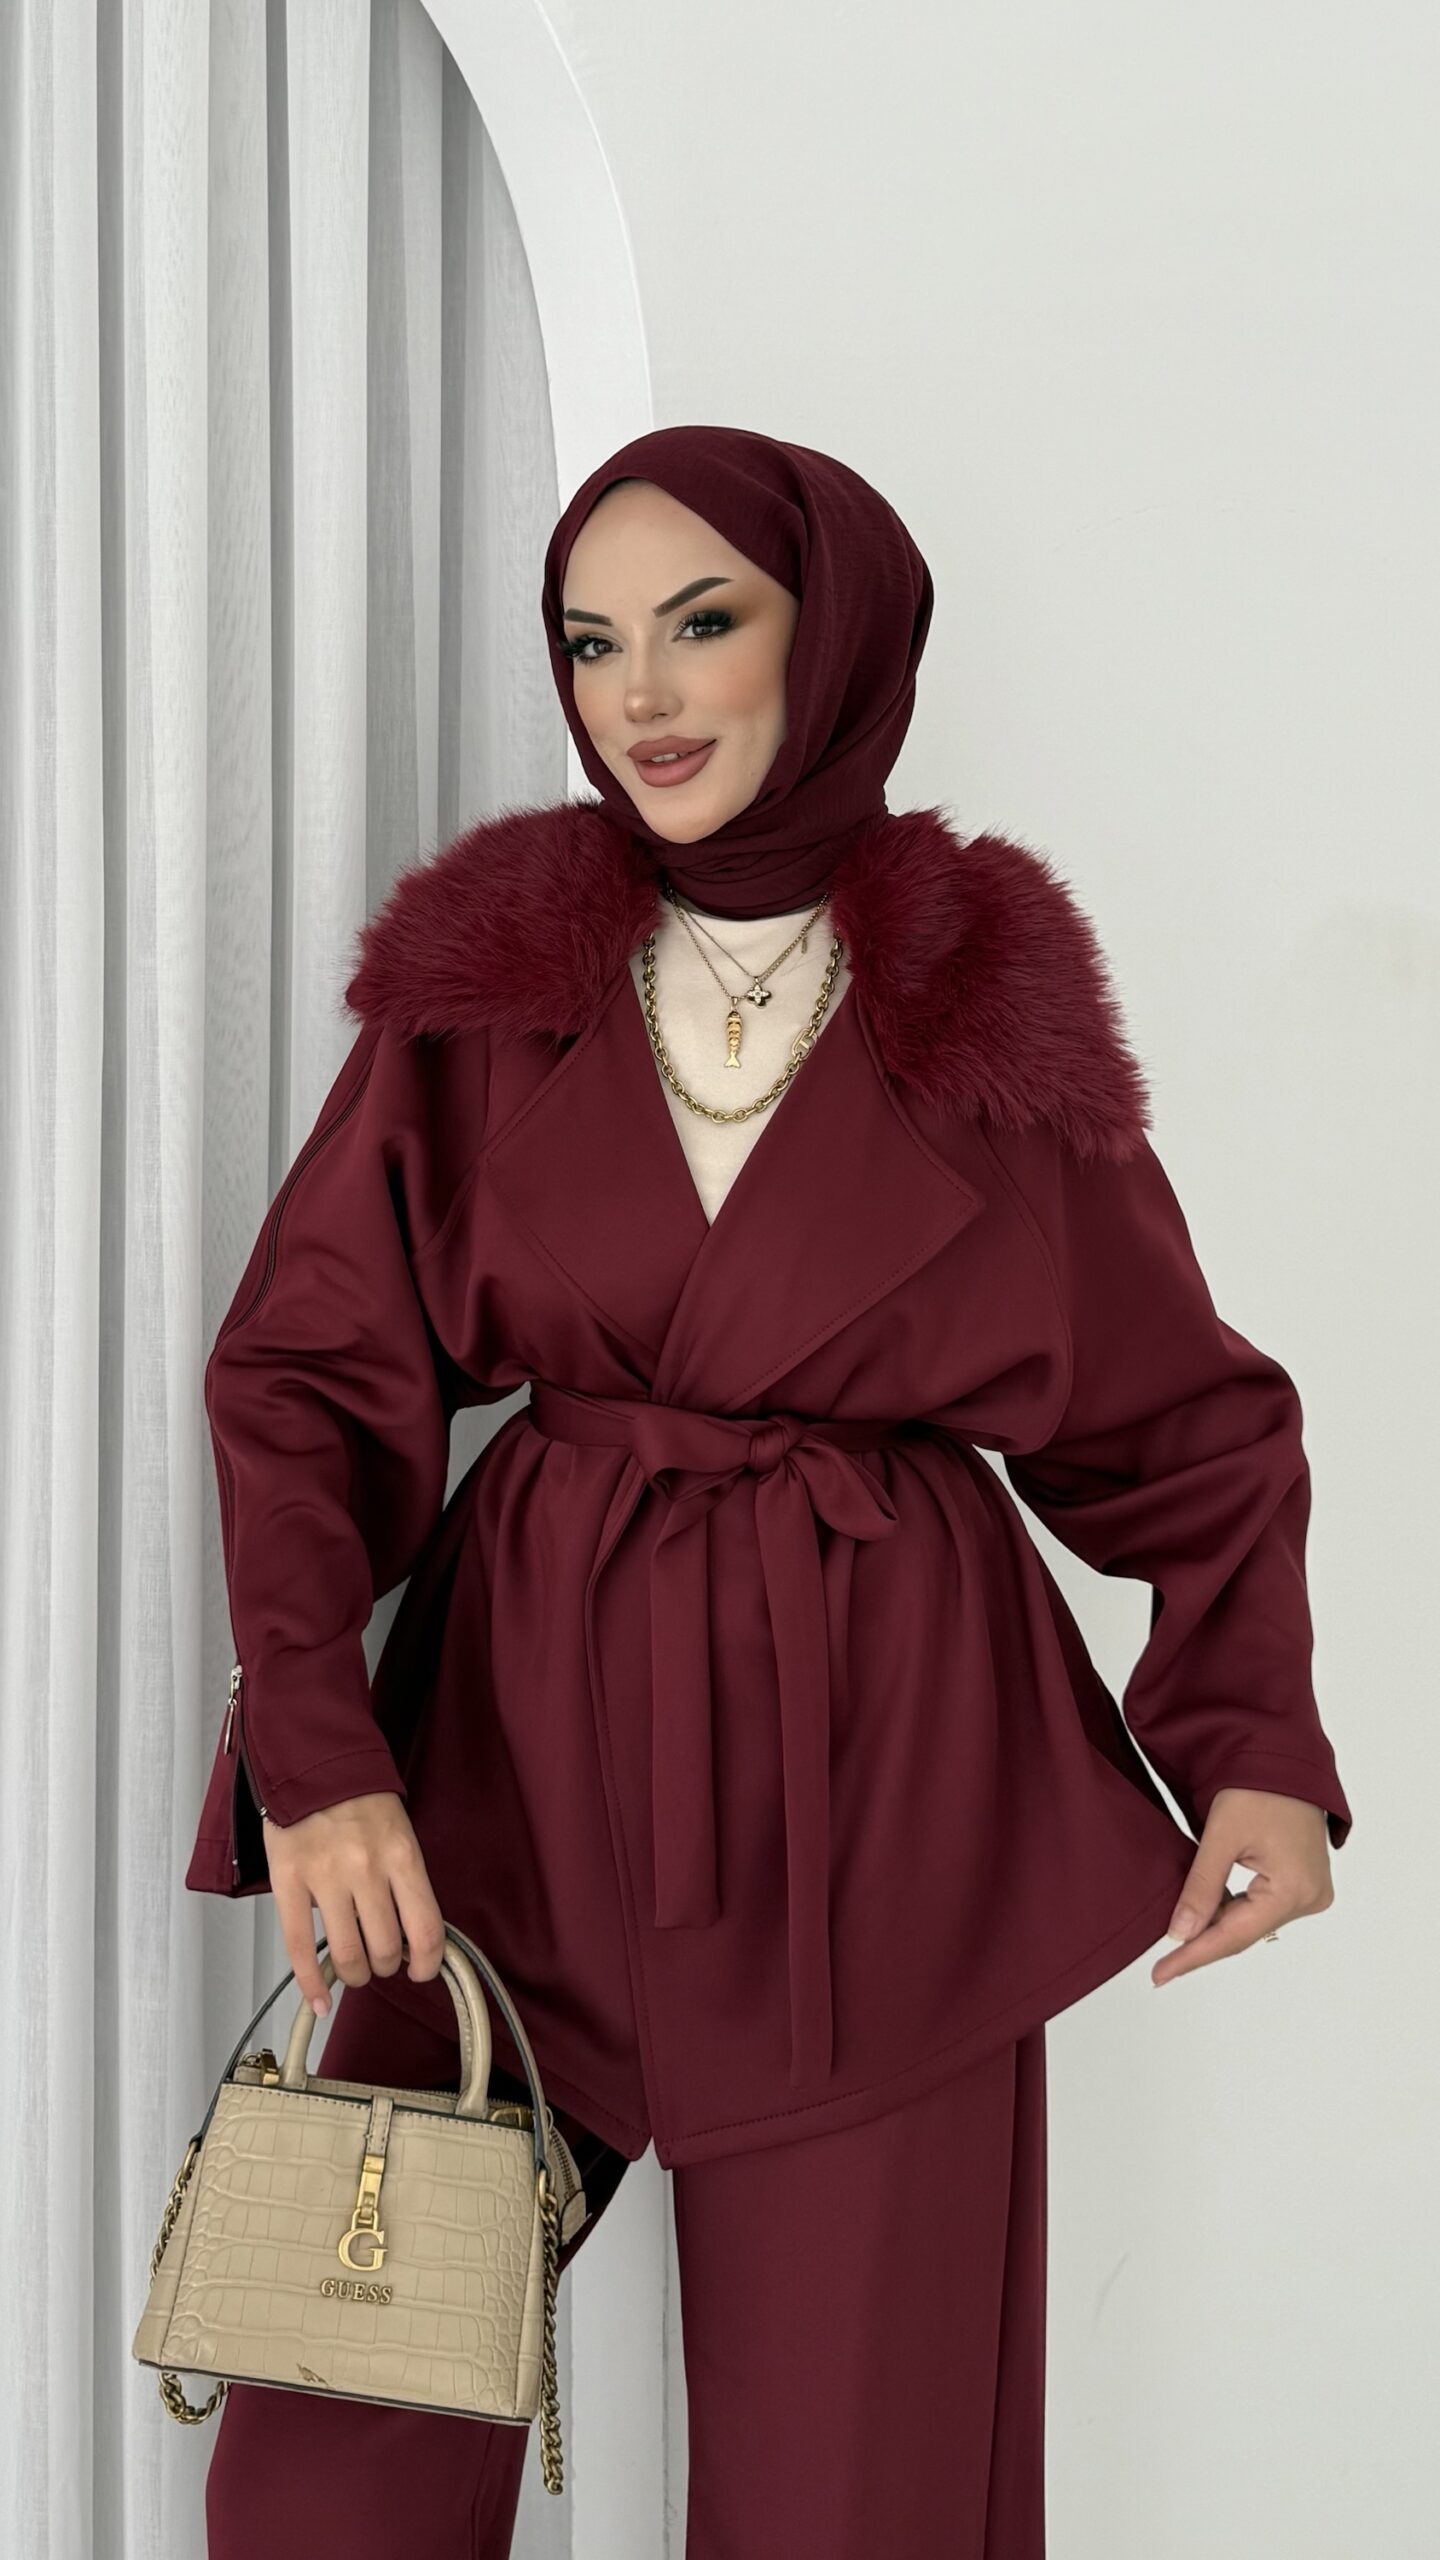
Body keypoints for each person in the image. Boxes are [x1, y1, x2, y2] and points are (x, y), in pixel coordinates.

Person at [190, 426, 1351, 2557]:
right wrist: (315, 1748)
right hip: (510, 1806)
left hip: (883, 1813)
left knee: (860, 2505)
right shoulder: (490, 988)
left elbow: (1186, 1424)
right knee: (327, 2481)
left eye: (701, 623)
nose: (640, 694)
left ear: (835, 642)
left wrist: (1254, 1742)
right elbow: (309, 1374)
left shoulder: (989, 1013)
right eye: (590, 641)